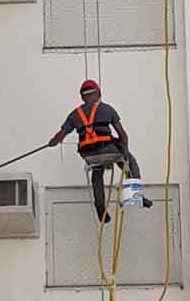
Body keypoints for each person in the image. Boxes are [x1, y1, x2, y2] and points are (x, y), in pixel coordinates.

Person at [48, 80, 153, 220]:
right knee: (129, 162)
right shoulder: (107, 109)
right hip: (108, 149)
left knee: (97, 172)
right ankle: (135, 195)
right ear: (99, 93)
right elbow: (122, 134)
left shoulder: (75, 114)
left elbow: (60, 136)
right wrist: (125, 151)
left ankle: (100, 208)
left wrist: (52, 143)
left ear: (82, 97)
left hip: (89, 154)